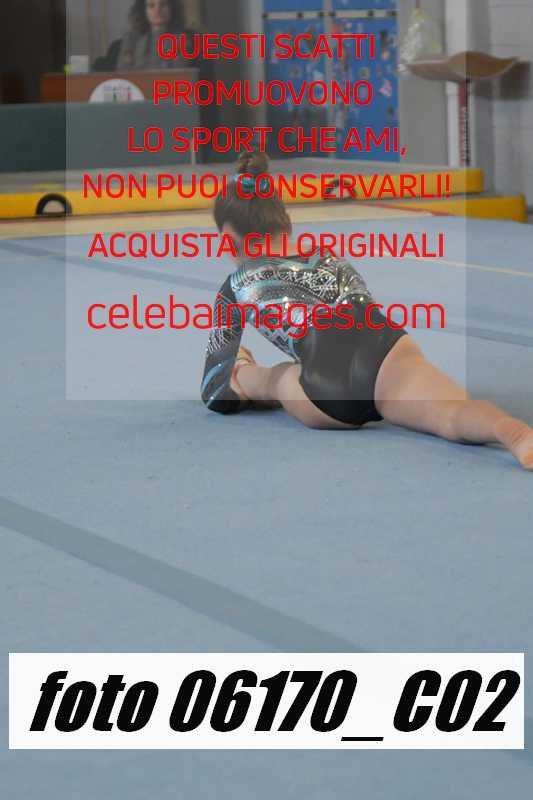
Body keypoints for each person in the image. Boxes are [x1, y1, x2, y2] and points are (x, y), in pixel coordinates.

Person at [200, 152, 533, 470]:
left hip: (326, 395)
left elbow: (214, 393)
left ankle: (246, 369)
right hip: (385, 352)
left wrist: (241, 381)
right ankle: (507, 429)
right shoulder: (329, 257)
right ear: (286, 223)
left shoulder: (236, 287)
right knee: (452, 413)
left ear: (227, 238)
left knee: (276, 377)